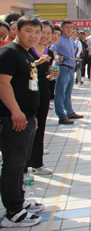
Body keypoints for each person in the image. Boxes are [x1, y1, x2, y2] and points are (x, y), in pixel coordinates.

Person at [0, 16, 45, 227]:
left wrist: (30, 116)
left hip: (26, 117)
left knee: (20, 166)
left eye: (37, 32)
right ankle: (13, 212)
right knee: (13, 165)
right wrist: (16, 112)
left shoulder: (25, 54)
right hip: (13, 119)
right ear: (16, 30)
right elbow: (3, 84)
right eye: (29, 31)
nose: (34, 36)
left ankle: (19, 201)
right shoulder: (9, 52)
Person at [28, 20, 58, 176]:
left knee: (40, 127)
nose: (45, 36)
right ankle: (25, 165)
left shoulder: (48, 51)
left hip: (43, 91)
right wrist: (36, 62)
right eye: (42, 32)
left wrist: (52, 75)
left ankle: (37, 164)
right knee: (28, 129)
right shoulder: (27, 50)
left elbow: (47, 75)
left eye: (48, 33)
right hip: (28, 93)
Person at [51, 20, 84, 124]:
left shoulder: (70, 39)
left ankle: (69, 112)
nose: (69, 29)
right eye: (67, 27)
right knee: (60, 93)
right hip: (63, 68)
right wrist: (58, 57)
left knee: (68, 93)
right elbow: (51, 50)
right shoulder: (59, 39)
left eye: (71, 27)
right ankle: (61, 115)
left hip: (71, 68)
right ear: (62, 28)